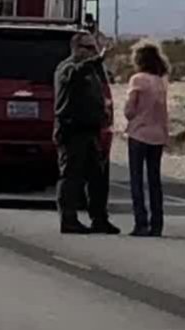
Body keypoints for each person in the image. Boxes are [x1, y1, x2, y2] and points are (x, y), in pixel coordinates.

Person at [54, 31, 119, 235]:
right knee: (71, 176)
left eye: (94, 47)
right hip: (72, 129)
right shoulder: (67, 68)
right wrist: (96, 60)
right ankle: (69, 219)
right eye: (88, 48)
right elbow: (74, 75)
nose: (92, 51)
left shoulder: (92, 71)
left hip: (91, 131)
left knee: (97, 177)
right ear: (76, 48)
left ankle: (99, 218)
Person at [125, 40, 171, 237]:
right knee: (154, 181)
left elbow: (129, 110)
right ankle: (157, 223)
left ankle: (140, 223)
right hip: (158, 134)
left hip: (139, 133)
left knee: (137, 180)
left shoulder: (137, 80)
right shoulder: (160, 81)